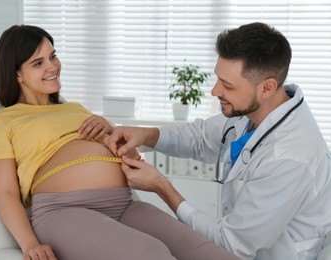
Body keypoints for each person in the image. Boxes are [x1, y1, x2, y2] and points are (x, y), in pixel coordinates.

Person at [0, 24, 239, 260]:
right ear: (17, 75)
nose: (52, 67)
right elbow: (5, 192)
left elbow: (133, 159)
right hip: (63, 211)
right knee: (152, 254)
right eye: (38, 63)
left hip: (123, 204)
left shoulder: (76, 109)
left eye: (53, 56)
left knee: (206, 251)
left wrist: (112, 130)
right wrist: (29, 244)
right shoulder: (2, 122)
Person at [106, 22, 331, 260]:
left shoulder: (290, 157)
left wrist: (163, 187)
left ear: (267, 87)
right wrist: (144, 135)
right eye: (218, 79)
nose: (214, 91)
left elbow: (231, 243)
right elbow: (200, 137)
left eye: (227, 85)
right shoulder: (256, 111)